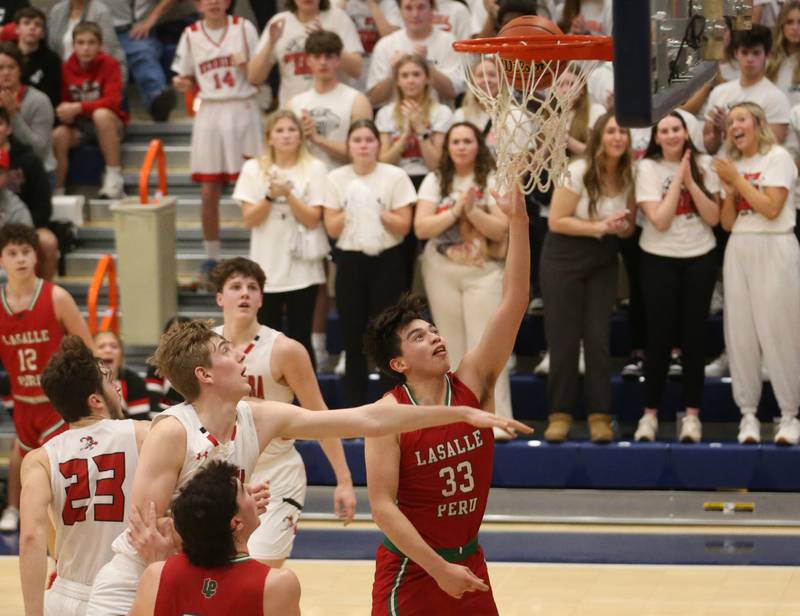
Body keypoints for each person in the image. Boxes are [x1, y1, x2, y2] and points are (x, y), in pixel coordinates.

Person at [87, 319, 528, 614]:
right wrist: (222, 524)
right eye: (226, 350)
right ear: (205, 374)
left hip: (200, 567)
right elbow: (145, 530)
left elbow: (368, 418)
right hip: (141, 578)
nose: (241, 355)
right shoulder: (173, 431)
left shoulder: (257, 415)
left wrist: (459, 414)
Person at [363, 183, 530, 615]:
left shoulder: (474, 379)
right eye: (418, 337)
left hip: (468, 559)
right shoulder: (389, 414)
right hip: (413, 569)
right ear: (399, 363)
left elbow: (514, 300)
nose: (435, 337)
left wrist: (518, 221)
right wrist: (437, 568)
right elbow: (382, 507)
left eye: (433, 330)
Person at [211, 257, 357, 566]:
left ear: (262, 298)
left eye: (252, 287)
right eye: (236, 287)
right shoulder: (204, 346)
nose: (245, 293)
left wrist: (344, 480)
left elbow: (320, 416)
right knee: (215, 570)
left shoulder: (285, 350)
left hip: (276, 472)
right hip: (223, 473)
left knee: (259, 570)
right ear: (220, 297)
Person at [19, 336, 149, 616]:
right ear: (95, 400)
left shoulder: (39, 458)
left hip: (65, 594)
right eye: (108, 381)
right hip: (122, 595)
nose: (116, 387)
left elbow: (31, 537)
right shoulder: (143, 435)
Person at [539, 112, 636, 443]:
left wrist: (621, 229)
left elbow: (628, 227)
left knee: (598, 339)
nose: (618, 136)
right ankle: (559, 414)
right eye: (611, 130)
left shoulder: (629, 175)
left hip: (603, 258)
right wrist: (601, 227)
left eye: (622, 131)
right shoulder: (579, 170)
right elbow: (556, 220)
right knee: (564, 340)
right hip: (563, 256)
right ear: (599, 136)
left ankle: (599, 414)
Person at [414, 121, 514, 436]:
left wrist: (473, 212)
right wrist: (456, 211)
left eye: (467, 141)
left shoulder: (495, 178)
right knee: (450, 345)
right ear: (448, 148)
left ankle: (496, 421)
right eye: (455, 141)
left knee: (486, 346)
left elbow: (500, 229)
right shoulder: (434, 180)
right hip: (441, 269)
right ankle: (456, 420)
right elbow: (421, 228)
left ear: (478, 146)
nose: (461, 146)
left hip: (484, 271)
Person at [711, 102, 800, 445]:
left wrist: (736, 181)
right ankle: (748, 415)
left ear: (758, 124)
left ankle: (789, 415)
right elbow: (727, 222)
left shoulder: (777, 158)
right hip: (740, 246)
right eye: (731, 120)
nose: (735, 124)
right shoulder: (732, 165)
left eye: (741, 119)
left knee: (780, 332)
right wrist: (731, 190)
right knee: (741, 334)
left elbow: (771, 207)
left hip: (775, 245)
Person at [632, 112, 720, 443]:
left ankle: (692, 417)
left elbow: (712, 218)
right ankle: (650, 415)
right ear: (656, 137)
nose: (670, 135)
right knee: (659, 340)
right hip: (658, 259)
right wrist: (678, 178)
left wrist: (691, 180)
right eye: (664, 131)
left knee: (694, 339)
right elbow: (660, 221)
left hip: (700, 256)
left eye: (676, 129)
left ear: (686, 133)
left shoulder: (707, 163)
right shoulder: (647, 168)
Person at [0, 223, 94, 533]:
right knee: (24, 463)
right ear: (2, 260)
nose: (20, 259)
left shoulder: (57, 297)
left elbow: (87, 349)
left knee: (55, 478)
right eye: (12, 253)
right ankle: (13, 509)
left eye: (26, 251)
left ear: (36, 256)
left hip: (58, 403)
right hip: (23, 402)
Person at [323, 119, 416, 406]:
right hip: (350, 262)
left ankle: (395, 406)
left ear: (378, 144)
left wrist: (373, 206)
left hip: (387, 263)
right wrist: (354, 203)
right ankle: (355, 406)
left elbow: (403, 226)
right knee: (353, 339)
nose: (363, 145)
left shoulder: (395, 176)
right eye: (357, 140)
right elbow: (332, 228)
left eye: (369, 140)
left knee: (390, 338)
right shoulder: (336, 178)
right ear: (349, 146)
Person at [129, 461, 301, 615]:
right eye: (244, 491)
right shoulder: (278, 585)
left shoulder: (156, 575)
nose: (251, 489)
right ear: (236, 523)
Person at [171, 0, 263, 288]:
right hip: (210, 110)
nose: (213, 2)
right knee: (208, 191)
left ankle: (259, 256)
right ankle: (211, 259)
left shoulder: (244, 28)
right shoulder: (191, 34)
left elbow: (260, 71)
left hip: (243, 107)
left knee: (255, 188)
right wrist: (182, 84)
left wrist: (246, 65)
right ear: (198, 4)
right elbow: (182, 75)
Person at [232, 110, 327, 362]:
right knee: (263, 339)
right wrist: (271, 196)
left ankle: (307, 400)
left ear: (300, 136)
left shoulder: (315, 168)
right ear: (269, 137)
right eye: (280, 130)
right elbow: (249, 219)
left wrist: (289, 194)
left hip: (303, 267)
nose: (286, 136)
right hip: (266, 267)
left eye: (292, 130)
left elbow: (312, 218)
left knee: (301, 337)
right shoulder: (253, 168)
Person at [53, 22, 127, 200]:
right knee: (58, 135)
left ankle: (114, 178)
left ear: (100, 45)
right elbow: (63, 101)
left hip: (110, 124)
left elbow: (113, 102)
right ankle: (58, 191)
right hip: (80, 126)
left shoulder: (110, 64)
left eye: (91, 43)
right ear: (73, 46)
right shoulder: (64, 69)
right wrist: (65, 113)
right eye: (80, 42)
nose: (86, 48)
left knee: (100, 114)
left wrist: (79, 107)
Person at [249, 0, 365, 108]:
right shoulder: (279, 22)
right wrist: (270, 43)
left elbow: (357, 70)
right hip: (293, 114)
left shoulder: (338, 18)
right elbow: (254, 77)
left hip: (334, 109)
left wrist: (328, 41)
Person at [287, 30, 373, 171]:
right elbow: (285, 154)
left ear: (338, 60)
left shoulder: (357, 101)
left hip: (345, 180)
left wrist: (318, 139)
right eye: (317, 56)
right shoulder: (294, 104)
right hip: (305, 180)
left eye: (329, 57)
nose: (323, 62)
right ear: (308, 60)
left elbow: (364, 154)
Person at [705, 24, 791, 154]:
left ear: (767, 55)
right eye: (744, 52)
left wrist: (729, 128)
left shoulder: (776, 98)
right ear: (736, 54)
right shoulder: (719, 92)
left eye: (756, 53)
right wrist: (717, 133)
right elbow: (708, 147)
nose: (750, 59)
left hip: (756, 171)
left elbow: (771, 148)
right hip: (721, 165)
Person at [366, 0, 464, 107]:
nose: (415, 14)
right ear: (400, 11)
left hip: (438, 118)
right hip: (394, 119)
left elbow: (453, 92)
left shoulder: (448, 42)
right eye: (408, 8)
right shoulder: (385, 45)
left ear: (432, 9)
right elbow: (374, 98)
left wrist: (426, 65)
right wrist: (393, 72)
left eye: (421, 7)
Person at [377, 53, 452, 188]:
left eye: (416, 74)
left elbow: (435, 165)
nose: (410, 80)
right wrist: (405, 135)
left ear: (427, 78)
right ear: (397, 81)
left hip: (430, 180)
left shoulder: (442, 112)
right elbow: (384, 163)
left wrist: (420, 130)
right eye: (404, 76)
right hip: (394, 180)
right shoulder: (385, 113)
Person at [102, 0, 177, 121]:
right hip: (101, 30)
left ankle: (157, 100)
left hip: (136, 31)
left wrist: (151, 19)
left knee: (143, 54)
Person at [0, 41, 54, 170]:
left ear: (20, 70)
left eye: (12, 67)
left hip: (36, 171)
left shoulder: (39, 101)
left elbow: (39, 151)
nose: (6, 73)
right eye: (0, 68)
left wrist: (14, 115)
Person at [47, 0, 127, 85]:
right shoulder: (57, 10)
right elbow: (51, 47)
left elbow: (107, 49)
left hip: (96, 76)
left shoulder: (101, 11)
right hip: (65, 76)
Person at [95, 330, 151, 420]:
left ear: (121, 354)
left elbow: (141, 421)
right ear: (92, 353)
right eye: (101, 346)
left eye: (114, 346)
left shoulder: (135, 381)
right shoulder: (85, 383)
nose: (108, 350)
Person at [14, 7, 62, 109]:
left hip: (38, 110)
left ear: (43, 34)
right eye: (27, 23)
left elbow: (52, 97)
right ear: (17, 29)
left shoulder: (52, 60)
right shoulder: (5, 54)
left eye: (37, 24)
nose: (32, 27)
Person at [145, 316, 188, 416]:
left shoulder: (202, 366)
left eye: (183, 332)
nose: (178, 337)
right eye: (173, 333)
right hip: (166, 419)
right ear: (164, 337)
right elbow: (153, 406)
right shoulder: (156, 368)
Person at [766, 1, 800, 106]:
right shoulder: (769, 62)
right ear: (781, 26)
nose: (795, 28)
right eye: (789, 22)